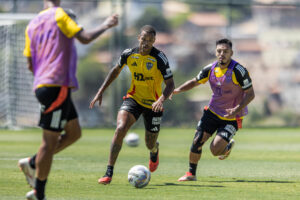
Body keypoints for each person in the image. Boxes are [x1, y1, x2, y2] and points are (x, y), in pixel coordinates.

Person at [18, 0, 118, 199]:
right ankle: (39, 192)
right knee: (49, 141)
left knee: (74, 133)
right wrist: (106, 25)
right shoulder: (59, 15)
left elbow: (30, 62)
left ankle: (32, 163)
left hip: (45, 85)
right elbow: (85, 38)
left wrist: (44, 75)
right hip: (56, 86)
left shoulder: (33, 23)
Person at [89, 25, 175, 185]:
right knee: (120, 128)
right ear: (138, 38)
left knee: (149, 143)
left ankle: (155, 150)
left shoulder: (160, 58)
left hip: (154, 104)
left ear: (154, 41)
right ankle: (109, 172)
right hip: (134, 99)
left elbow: (171, 84)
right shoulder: (129, 54)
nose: (146, 43)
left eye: (150, 40)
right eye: (144, 39)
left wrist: (161, 100)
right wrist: (101, 91)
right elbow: (115, 71)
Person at [172, 38, 255, 181]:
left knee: (215, 150)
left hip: (232, 117)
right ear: (215, 52)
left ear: (231, 53)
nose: (222, 54)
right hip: (212, 112)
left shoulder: (239, 71)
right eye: (219, 51)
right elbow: (194, 81)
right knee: (197, 140)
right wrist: (177, 90)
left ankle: (226, 146)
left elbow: (251, 94)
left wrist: (236, 109)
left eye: (225, 51)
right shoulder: (210, 69)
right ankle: (191, 174)